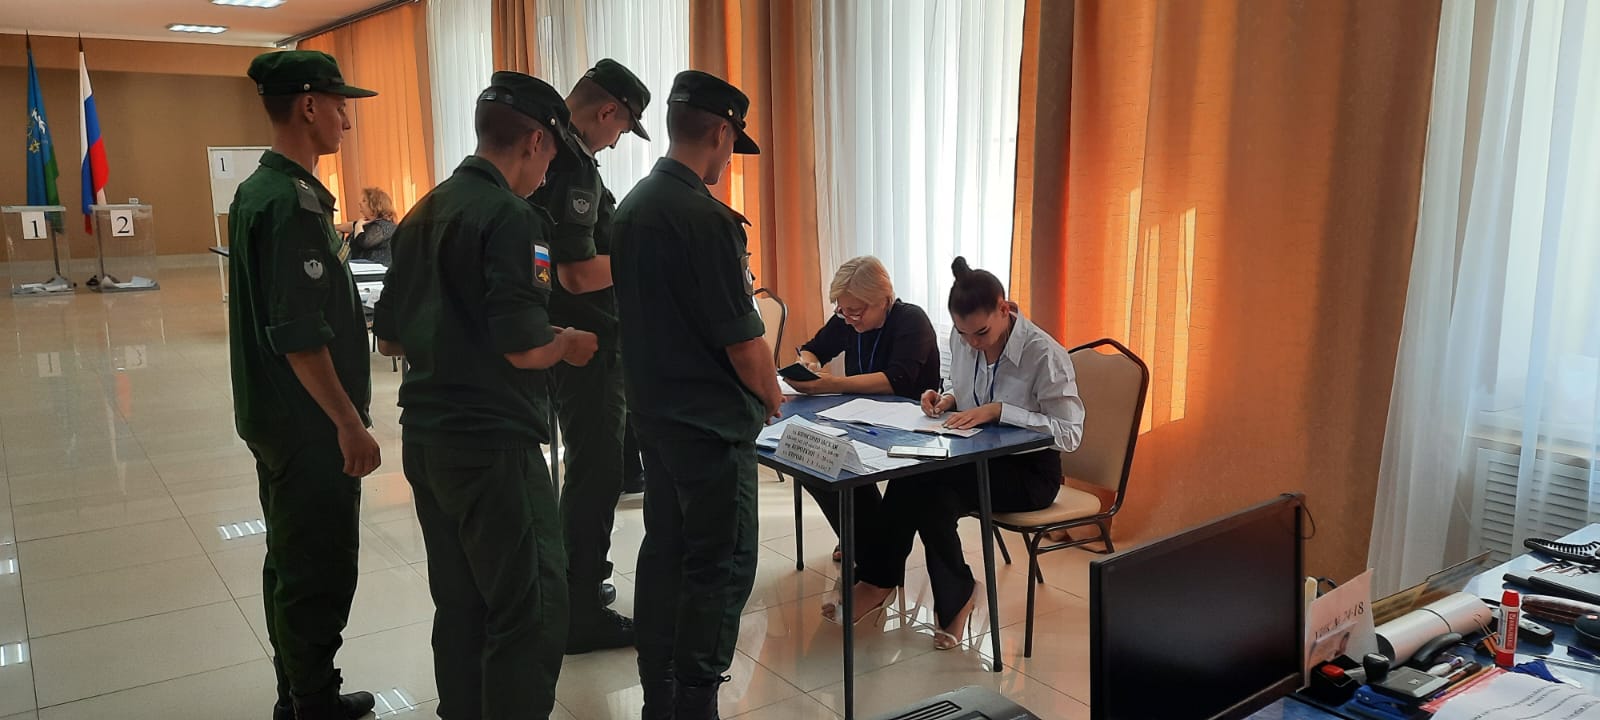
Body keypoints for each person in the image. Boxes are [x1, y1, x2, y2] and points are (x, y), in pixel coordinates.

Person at [371, 71, 598, 720]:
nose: (549, 172)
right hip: (493, 445)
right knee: (532, 606)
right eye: (550, 155)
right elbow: (524, 348)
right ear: (534, 141)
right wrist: (567, 344)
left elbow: (390, 338)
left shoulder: (424, 211)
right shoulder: (514, 218)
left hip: (428, 440)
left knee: (461, 600)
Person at [613, 70, 783, 720]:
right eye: (732, 144)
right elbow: (744, 342)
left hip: (655, 418)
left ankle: (659, 694)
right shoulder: (706, 221)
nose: (727, 159)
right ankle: (696, 701)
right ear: (719, 133)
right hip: (710, 428)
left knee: (665, 551)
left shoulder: (632, 207)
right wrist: (774, 396)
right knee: (722, 564)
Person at [228, 50, 381, 720]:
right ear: (310, 106)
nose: (346, 120)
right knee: (318, 564)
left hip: (275, 415)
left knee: (289, 557)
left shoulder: (261, 190)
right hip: (308, 423)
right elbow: (299, 335)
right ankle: (314, 701)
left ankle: (297, 692)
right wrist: (348, 423)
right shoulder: (290, 204)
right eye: (340, 106)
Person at [830, 257, 1085, 651]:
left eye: (981, 333)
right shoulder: (963, 337)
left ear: (1004, 308)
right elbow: (959, 385)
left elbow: (1070, 433)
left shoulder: (1043, 354)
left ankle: (880, 582)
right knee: (922, 486)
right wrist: (946, 398)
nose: (973, 343)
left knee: (923, 486)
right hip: (973, 455)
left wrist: (1001, 411)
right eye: (964, 335)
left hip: (1029, 473)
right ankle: (948, 595)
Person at [527, 59, 652, 653]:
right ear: (607, 111)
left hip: (568, 338)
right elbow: (576, 273)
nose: (618, 138)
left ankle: (570, 585)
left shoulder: (552, 154)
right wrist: (644, 258)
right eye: (623, 126)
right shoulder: (573, 166)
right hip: (589, 345)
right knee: (597, 474)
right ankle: (579, 609)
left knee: (587, 469)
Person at [787, 256, 939, 565]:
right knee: (816, 461)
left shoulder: (911, 321)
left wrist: (829, 384)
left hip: (910, 428)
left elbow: (895, 381)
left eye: (856, 311)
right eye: (842, 310)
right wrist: (808, 364)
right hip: (860, 420)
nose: (849, 319)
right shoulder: (847, 320)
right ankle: (862, 540)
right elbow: (814, 348)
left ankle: (870, 550)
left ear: (883, 299)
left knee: (850, 466)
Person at [334, 187, 397, 265]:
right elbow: (350, 226)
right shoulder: (367, 223)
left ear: (375, 205)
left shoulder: (383, 226)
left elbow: (364, 242)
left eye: (364, 201)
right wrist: (333, 227)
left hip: (376, 268)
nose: (360, 203)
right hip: (361, 266)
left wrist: (358, 226)